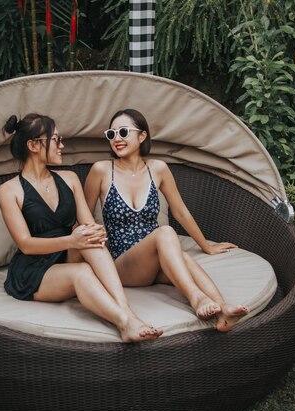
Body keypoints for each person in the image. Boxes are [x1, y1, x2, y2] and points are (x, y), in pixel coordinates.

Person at [0, 113, 162, 342]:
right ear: (33, 145)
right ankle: (125, 323)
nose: (61, 145)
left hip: (68, 253)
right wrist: (72, 241)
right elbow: (26, 244)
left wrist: (95, 231)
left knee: (90, 236)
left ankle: (128, 312)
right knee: (82, 271)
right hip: (34, 269)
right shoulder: (9, 190)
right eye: (55, 140)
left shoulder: (70, 178)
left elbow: (88, 224)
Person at [84, 109, 249, 332]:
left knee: (184, 259)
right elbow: (82, 218)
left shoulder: (158, 169)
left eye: (123, 131)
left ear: (142, 136)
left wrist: (207, 247)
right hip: (122, 264)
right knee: (165, 232)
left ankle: (224, 311)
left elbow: (181, 212)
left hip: (154, 261)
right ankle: (197, 298)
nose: (117, 139)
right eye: (111, 134)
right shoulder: (101, 170)